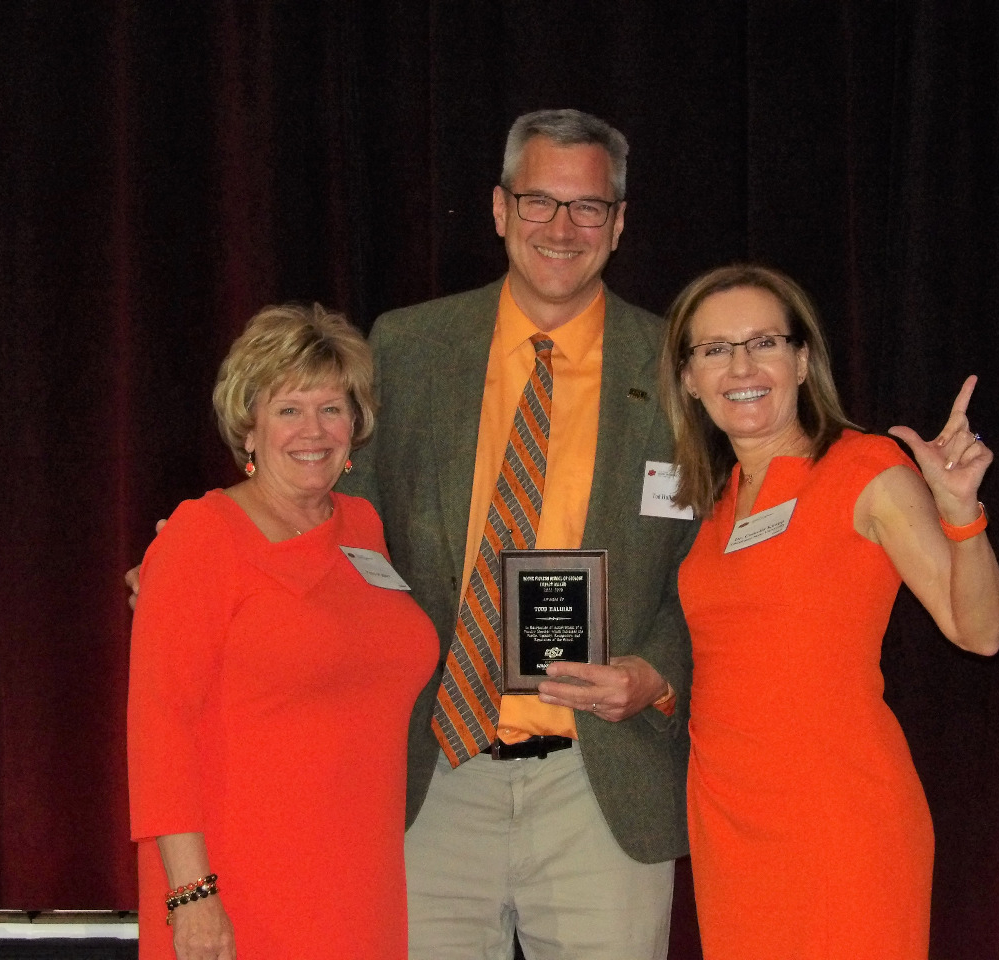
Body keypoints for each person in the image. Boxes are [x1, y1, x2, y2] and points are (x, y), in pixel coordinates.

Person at [337, 109, 696, 959]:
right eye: (539, 202)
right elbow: (342, 522)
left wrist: (655, 673)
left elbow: (711, 569)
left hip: (599, 781)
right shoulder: (408, 346)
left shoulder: (679, 367)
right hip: (433, 773)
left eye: (588, 208)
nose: (562, 229)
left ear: (619, 223)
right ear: (498, 209)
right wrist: (226, 546)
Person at [658, 264, 999, 960]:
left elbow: (980, 632)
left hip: (840, 819)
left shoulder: (865, 468)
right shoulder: (717, 499)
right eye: (715, 350)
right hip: (727, 819)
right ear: (690, 378)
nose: (741, 366)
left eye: (763, 342)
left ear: (801, 359)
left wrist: (962, 516)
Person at [127, 304, 438, 960]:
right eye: (289, 409)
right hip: (237, 893)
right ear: (249, 427)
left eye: (332, 408)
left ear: (356, 425)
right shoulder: (200, 538)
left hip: (361, 887)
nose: (313, 430)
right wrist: (191, 895)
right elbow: (160, 733)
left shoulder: (361, 527)